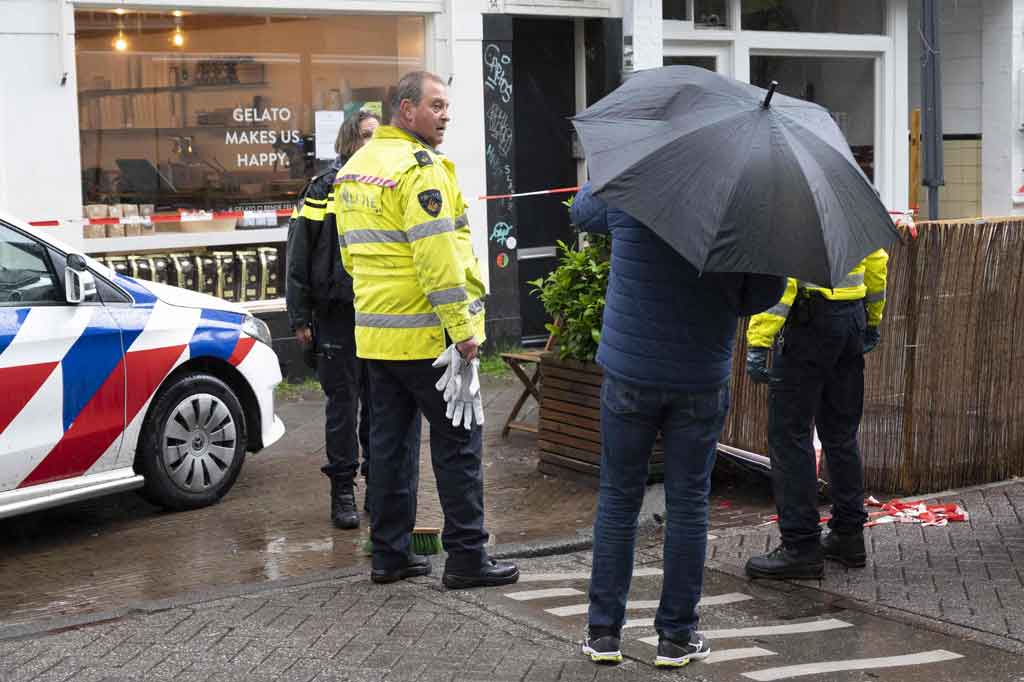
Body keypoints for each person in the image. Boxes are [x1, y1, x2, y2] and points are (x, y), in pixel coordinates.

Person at [570, 182, 786, 668]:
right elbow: (762, 294)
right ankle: (676, 636)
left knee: (618, 498)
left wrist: (609, 171)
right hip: (699, 377)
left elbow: (583, 212)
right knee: (688, 504)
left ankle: (603, 633)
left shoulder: (637, 188)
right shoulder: (742, 210)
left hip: (630, 373)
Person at [334, 70, 519, 588]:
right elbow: (438, 261)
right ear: (406, 109)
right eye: (436, 106)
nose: (445, 116)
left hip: (377, 338)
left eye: (446, 106)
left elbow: (350, 258)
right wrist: (462, 331)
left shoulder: (353, 170)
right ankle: (467, 558)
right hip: (432, 338)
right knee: (459, 443)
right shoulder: (421, 170)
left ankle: (389, 555)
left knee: (389, 448)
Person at [744, 249, 889, 579]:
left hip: (810, 325)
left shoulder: (793, 217)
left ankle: (801, 548)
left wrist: (759, 340)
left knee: (789, 436)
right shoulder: (852, 216)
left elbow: (782, 279)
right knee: (841, 433)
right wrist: (872, 319)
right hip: (851, 320)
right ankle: (848, 537)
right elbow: (877, 263)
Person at [285, 110, 380, 530]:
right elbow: (298, 253)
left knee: (380, 406)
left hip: (379, 312)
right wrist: (299, 317)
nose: (374, 143)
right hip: (337, 315)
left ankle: (377, 485)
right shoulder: (323, 188)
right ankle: (343, 491)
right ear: (349, 140)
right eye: (367, 135)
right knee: (343, 407)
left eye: (379, 136)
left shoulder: (385, 186)